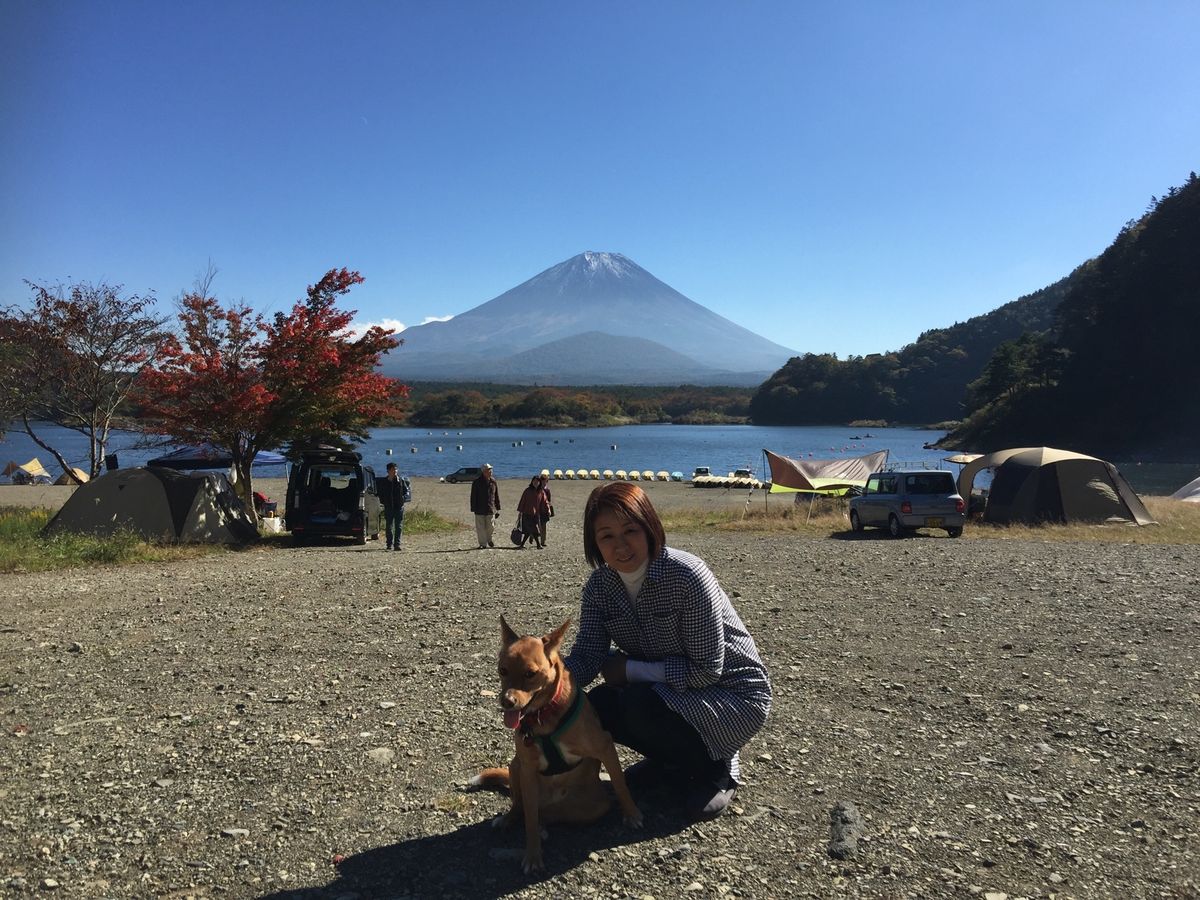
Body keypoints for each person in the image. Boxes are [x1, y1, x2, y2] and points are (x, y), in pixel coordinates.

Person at [564, 482, 771, 820]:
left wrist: (629, 671)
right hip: (666, 691)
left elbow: (707, 670)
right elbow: (586, 657)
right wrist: (541, 685)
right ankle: (669, 763)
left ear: (649, 526)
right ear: (594, 543)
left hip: (732, 697)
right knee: (596, 706)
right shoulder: (600, 587)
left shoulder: (687, 575)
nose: (621, 546)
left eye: (630, 530)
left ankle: (717, 769)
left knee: (637, 703)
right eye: (607, 536)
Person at [469, 464, 501, 549]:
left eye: (491, 470)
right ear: (483, 472)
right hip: (479, 508)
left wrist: (498, 507)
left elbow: (496, 495)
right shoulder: (476, 482)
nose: (491, 472)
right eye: (488, 470)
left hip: (491, 508)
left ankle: (489, 539)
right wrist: (473, 508)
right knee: (480, 528)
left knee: (491, 527)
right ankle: (483, 544)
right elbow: (473, 496)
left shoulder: (493, 481)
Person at [379, 462, 407, 550]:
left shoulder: (400, 480)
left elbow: (405, 491)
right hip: (388, 507)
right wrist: (384, 502)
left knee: (398, 526)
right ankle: (389, 544)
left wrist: (402, 500)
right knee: (389, 526)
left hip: (399, 507)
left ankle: (397, 544)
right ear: (388, 471)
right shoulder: (384, 481)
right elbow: (381, 493)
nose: (395, 471)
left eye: (396, 469)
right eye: (393, 469)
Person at [515, 475, 547, 549]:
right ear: (532, 482)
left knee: (529, 531)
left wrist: (547, 510)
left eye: (537, 481)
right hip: (527, 513)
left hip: (536, 514)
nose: (536, 482)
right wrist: (520, 512)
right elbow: (522, 501)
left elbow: (544, 502)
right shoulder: (527, 490)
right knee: (533, 529)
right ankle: (538, 545)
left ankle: (522, 544)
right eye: (534, 481)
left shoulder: (541, 491)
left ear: (539, 482)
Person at [537, 473, 554, 546]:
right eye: (543, 481)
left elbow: (549, 501)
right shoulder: (537, 489)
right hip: (537, 509)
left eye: (545, 481)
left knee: (543, 526)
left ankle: (543, 541)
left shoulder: (547, 490)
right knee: (537, 525)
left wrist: (549, 510)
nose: (544, 482)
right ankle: (533, 536)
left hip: (544, 510)